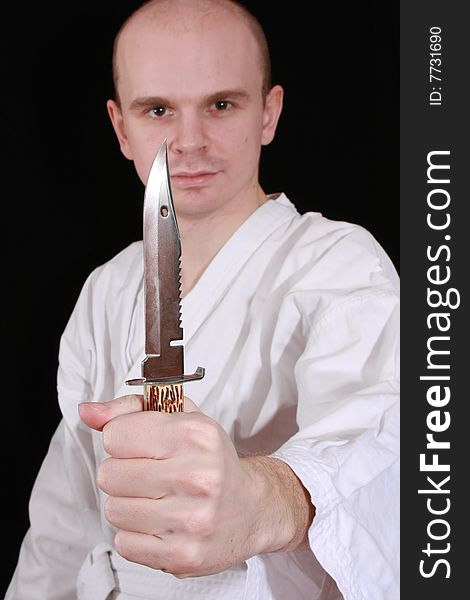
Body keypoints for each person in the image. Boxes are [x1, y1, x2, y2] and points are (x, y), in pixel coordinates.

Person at [6, 0, 400, 598]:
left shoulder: (339, 266)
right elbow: (65, 518)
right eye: (158, 109)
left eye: (221, 104)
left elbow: (379, 448)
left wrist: (265, 500)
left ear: (269, 112)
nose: (189, 141)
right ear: (121, 128)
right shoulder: (106, 289)